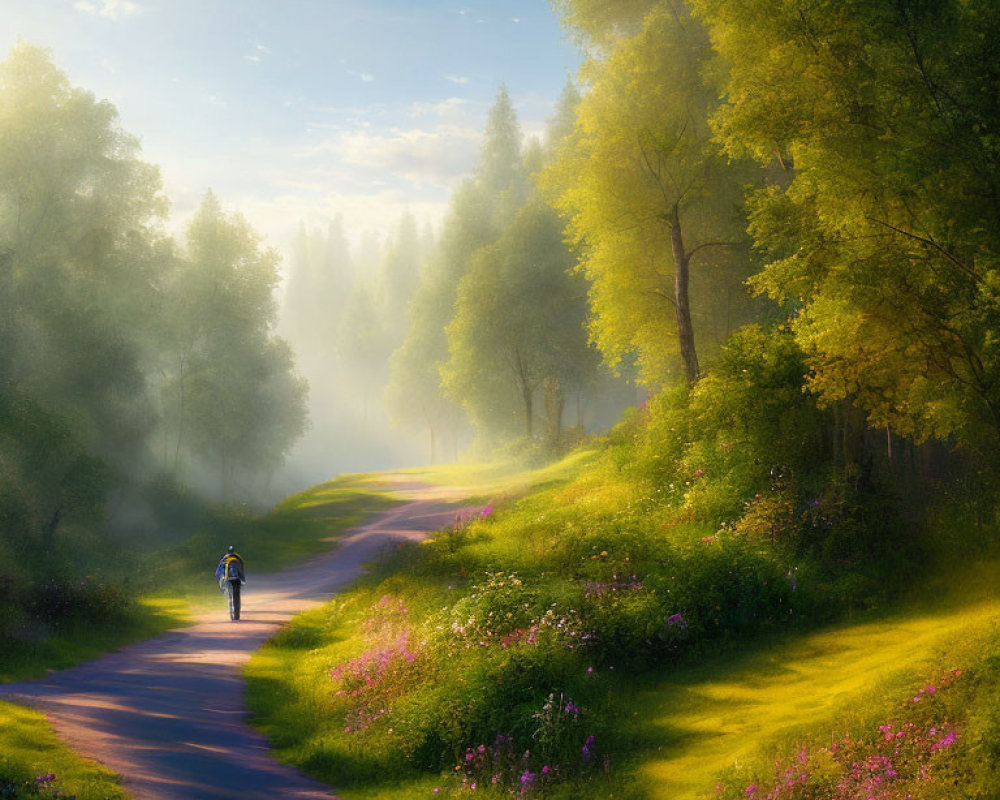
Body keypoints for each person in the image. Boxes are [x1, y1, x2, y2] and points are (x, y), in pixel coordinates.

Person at [215, 546, 246, 621]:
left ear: (227, 552)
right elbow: (241, 569)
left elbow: (217, 573)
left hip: (227, 579)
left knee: (227, 592)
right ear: (234, 551)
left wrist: (219, 583)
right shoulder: (238, 558)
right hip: (236, 579)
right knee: (236, 597)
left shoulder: (224, 559)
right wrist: (243, 580)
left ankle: (228, 602)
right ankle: (236, 616)